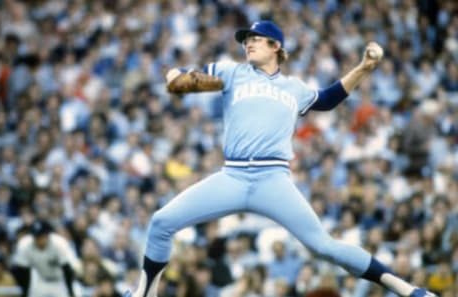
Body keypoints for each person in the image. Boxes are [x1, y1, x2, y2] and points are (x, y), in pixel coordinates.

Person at [125, 20, 436, 297]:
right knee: (161, 222)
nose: (248, 43)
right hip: (232, 176)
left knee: (323, 246)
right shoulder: (232, 72)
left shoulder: (294, 88)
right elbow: (181, 78)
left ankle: (406, 289)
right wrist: (174, 74)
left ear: (276, 46)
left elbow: (326, 100)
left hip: (273, 180)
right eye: (246, 40)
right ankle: (145, 292)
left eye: (256, 39)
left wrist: (363, 69)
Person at [11, 219, 78, 297]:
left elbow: (68, 270)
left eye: (42, 236)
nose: (39, 239)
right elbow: (22, 271)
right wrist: (25, 292)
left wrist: (70, 292)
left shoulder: (59, 243)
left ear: (47, 235)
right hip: (40, 280)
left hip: (60, 281)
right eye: (36, 236)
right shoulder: (25, 244)